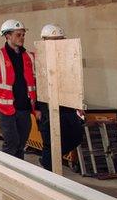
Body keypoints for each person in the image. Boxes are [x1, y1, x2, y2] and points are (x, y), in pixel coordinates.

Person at [0, 19, 37, 159]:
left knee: (21, 144)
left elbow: (34, 82)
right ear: (7, 36)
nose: (22, 38)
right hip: (5, 109)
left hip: (24, 108)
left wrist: (37, 107)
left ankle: (18, 173)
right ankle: (5, 172)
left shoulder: (29, 57)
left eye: (23, 35)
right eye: (18, 35)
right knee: (11, 143)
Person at [36, 24, 87, 171]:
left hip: (66, 104)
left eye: (60, 40)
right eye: (54, 40)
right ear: (45, 41)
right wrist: (36, 109)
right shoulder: (38, 58)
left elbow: (73, 81)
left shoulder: (67, 58)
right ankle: (48, 167)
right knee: (50, 139)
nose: (58, 43)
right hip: (46, 105)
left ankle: (49, 161)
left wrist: (78, 104)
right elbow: (34, 85)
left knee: (76, 135)